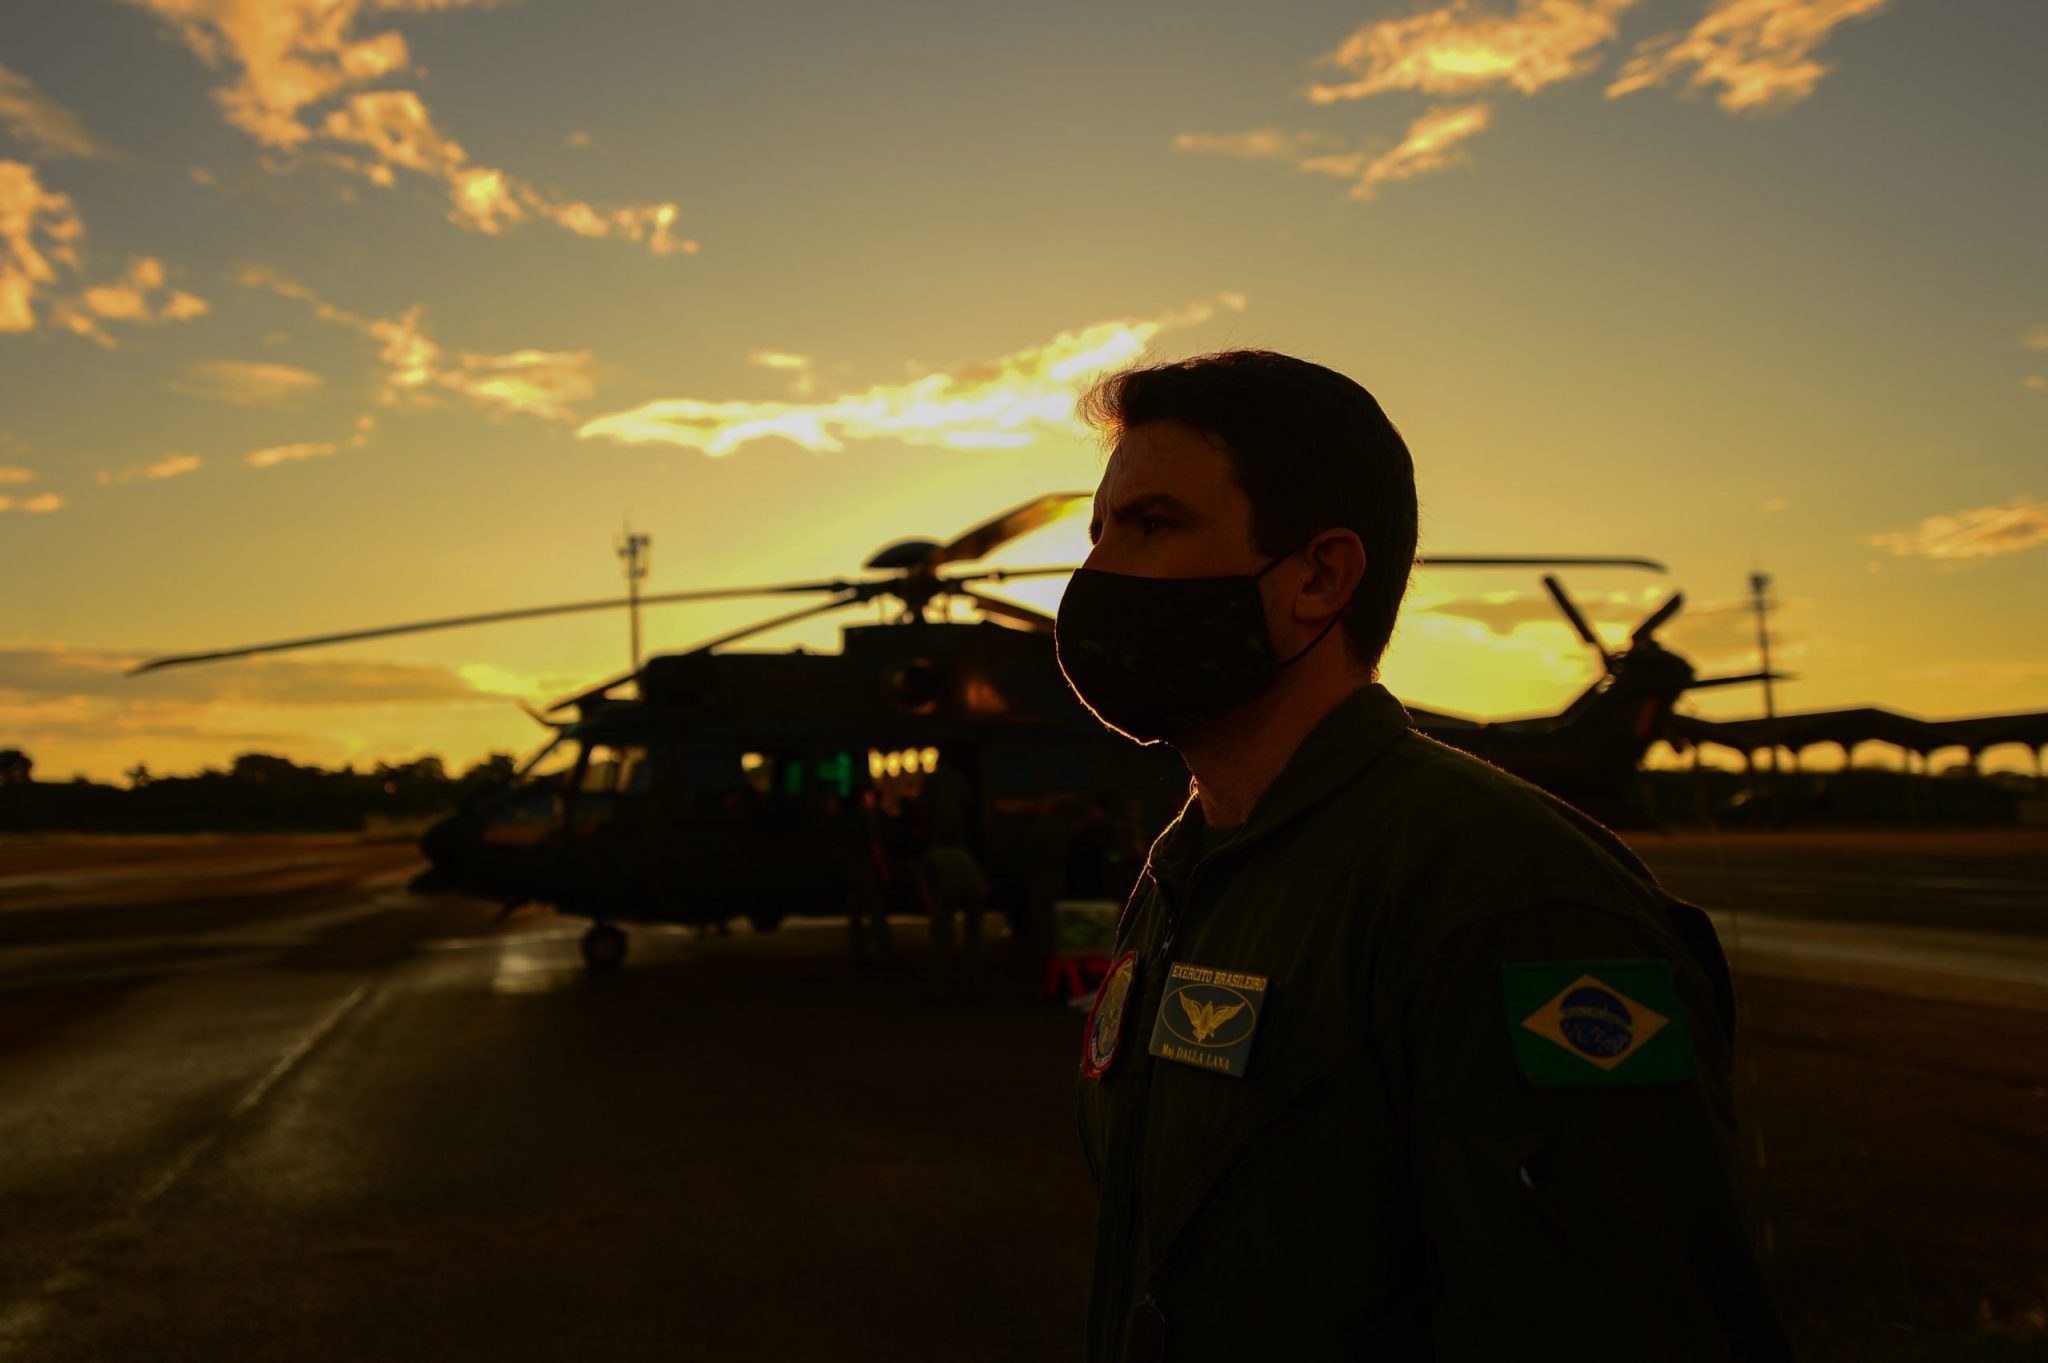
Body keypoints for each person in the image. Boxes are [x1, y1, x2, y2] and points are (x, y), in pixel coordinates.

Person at [1058, 351, 1791, 1361]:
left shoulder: (1511, 898)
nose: (1094, 575)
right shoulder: (1187, 871)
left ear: (1317, 578)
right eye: (1096, 532)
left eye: (1151, 524)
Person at [914, 752, 989, 1000]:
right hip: (969, 877)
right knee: (973, 937)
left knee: (941, 935)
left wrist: (932, 907)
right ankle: (973, 984)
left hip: (946, 877)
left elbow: (925, 885)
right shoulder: (964, 854)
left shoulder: (932, 855)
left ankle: (941, 985)